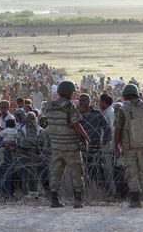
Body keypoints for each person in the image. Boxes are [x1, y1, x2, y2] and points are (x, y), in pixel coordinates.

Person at [45, 80, 90, 208]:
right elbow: (76, 124)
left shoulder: (49, 106)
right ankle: (78, 200)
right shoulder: (69, 106)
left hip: (56, 145)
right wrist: (86, 137)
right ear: (70, 93)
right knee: (76, 172)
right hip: (71, 145)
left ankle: (54, 200)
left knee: (56, 172)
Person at [114, 84, 143, 208]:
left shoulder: (124, 109)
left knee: (130, 171)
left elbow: (118, 129)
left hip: (129, 146)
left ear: (125, 95)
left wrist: (116, 146)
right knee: (141, 170)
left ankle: (135, 197)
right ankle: (138, 194)